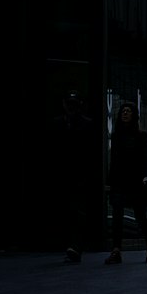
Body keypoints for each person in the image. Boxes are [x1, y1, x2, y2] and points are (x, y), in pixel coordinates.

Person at [105, 101, 147, 264]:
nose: (125, 113)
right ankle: (116, 250)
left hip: (135, 182)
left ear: (134, 115)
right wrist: (109, 182)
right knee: (117, 215)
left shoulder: (141, 136)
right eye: (123, 111)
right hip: (120, 182)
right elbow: (114, 161)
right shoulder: (117, 136)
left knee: (141, 217)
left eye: (128, 111)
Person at [52, 91, 98, 262]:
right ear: (64, 104)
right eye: (69, 103)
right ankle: (70, 244)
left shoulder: (87, 125)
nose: (71, 107)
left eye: (74, 104)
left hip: (80, 176)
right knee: (65, 210)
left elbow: (91, 152)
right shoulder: (57, 124)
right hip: (62, 175)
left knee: (77, 211)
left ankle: (76, 246)